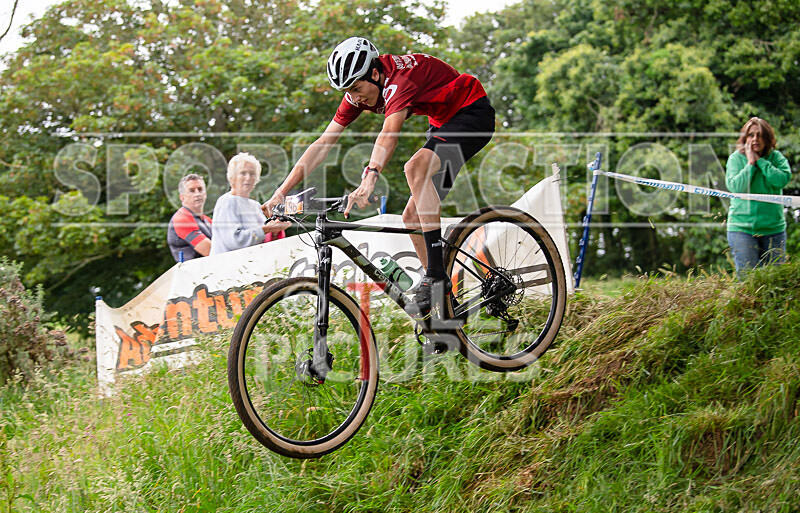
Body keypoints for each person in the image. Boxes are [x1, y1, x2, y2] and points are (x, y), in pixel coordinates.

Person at [262, 36, 495, 318]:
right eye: (348, 91)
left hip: (472, 113)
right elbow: (323, 143)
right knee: (412, 217)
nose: (355, 97)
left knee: (415, 168)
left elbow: (389, 133)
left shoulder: (400, 79)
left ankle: (436, 277)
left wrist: (370, 175)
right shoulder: (358, 93)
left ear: (374, 73)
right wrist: (281, 191)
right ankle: (447, 307)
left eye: (357, 88)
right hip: (443, 123)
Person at [725, 117, 792, 277]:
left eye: (760, 135)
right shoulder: (736, 158)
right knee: (748, 280)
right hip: (742, 228)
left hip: (773, 229)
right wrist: (750, 164)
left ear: (767, 138)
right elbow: (736, 187)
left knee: (776, 280)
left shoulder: (776, 157)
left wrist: (760, 162)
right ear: (745, 138)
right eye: (751, 135)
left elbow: (782, 180)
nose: (755, 139)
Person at [210, 152, 291, 255]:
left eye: (252, 174)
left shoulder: (255, 205)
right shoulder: (226, 202)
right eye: (243, 173)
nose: (248, 178)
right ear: (233, 177)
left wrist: (275, 231)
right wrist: (268, 228)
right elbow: (235, 241)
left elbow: (263, 240)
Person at [167, 173, 213, 262]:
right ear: (182, 197)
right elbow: (211, 251)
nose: (197, 194)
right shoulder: (181, 219)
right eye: (192, 191)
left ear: (205, 193)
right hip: (193, 270)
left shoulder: (207, 220)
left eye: (200, 189)